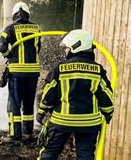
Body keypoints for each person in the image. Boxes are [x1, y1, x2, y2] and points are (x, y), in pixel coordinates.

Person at [36, 30, 114, 159]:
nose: (65, 50)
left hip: (61, 121)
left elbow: (49, 94)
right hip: (89, 124)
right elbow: (106, 96)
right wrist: (108, 113)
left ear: (76, 46)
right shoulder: (97, 70)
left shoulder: (60, 69)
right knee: (86, 156)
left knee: (49, 154)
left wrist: (41, 112)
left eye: (67, 47)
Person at [0, 1, 41, 142]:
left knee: (14, 103)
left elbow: (2, 46)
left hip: (17, 72)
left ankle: (15, 135)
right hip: (33, 73)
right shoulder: (37, 28)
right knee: (28, 102)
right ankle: (28, 132)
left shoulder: (10, 29)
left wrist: (9, 54)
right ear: (27, 14)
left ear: (14, 15)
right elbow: (37, 48)